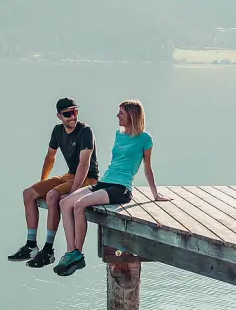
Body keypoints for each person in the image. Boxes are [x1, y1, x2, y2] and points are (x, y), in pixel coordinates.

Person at [53, 99, 169, 276]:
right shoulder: (118, 134)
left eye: (121, 113)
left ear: (131, 115)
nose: (117, 116)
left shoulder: (145, 139)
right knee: (65, 203)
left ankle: (77, 253)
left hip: (120, 188)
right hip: (104, 182)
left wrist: (155, 194)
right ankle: (71, 253)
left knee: (79, 205)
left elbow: (147, 168)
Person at [9, 97, 100, 267]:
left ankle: (48, 250)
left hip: (88, 178)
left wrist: (73, 192)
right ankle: (31, 246)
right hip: (69, 175)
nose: (72, 117)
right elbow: (50, 157)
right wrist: (41, 183)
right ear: (59, 116)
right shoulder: (57, 131)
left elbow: (84, 164)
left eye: (75, 112)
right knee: (28, 194)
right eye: (68, 114)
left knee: (52, 196)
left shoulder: (85, 131)